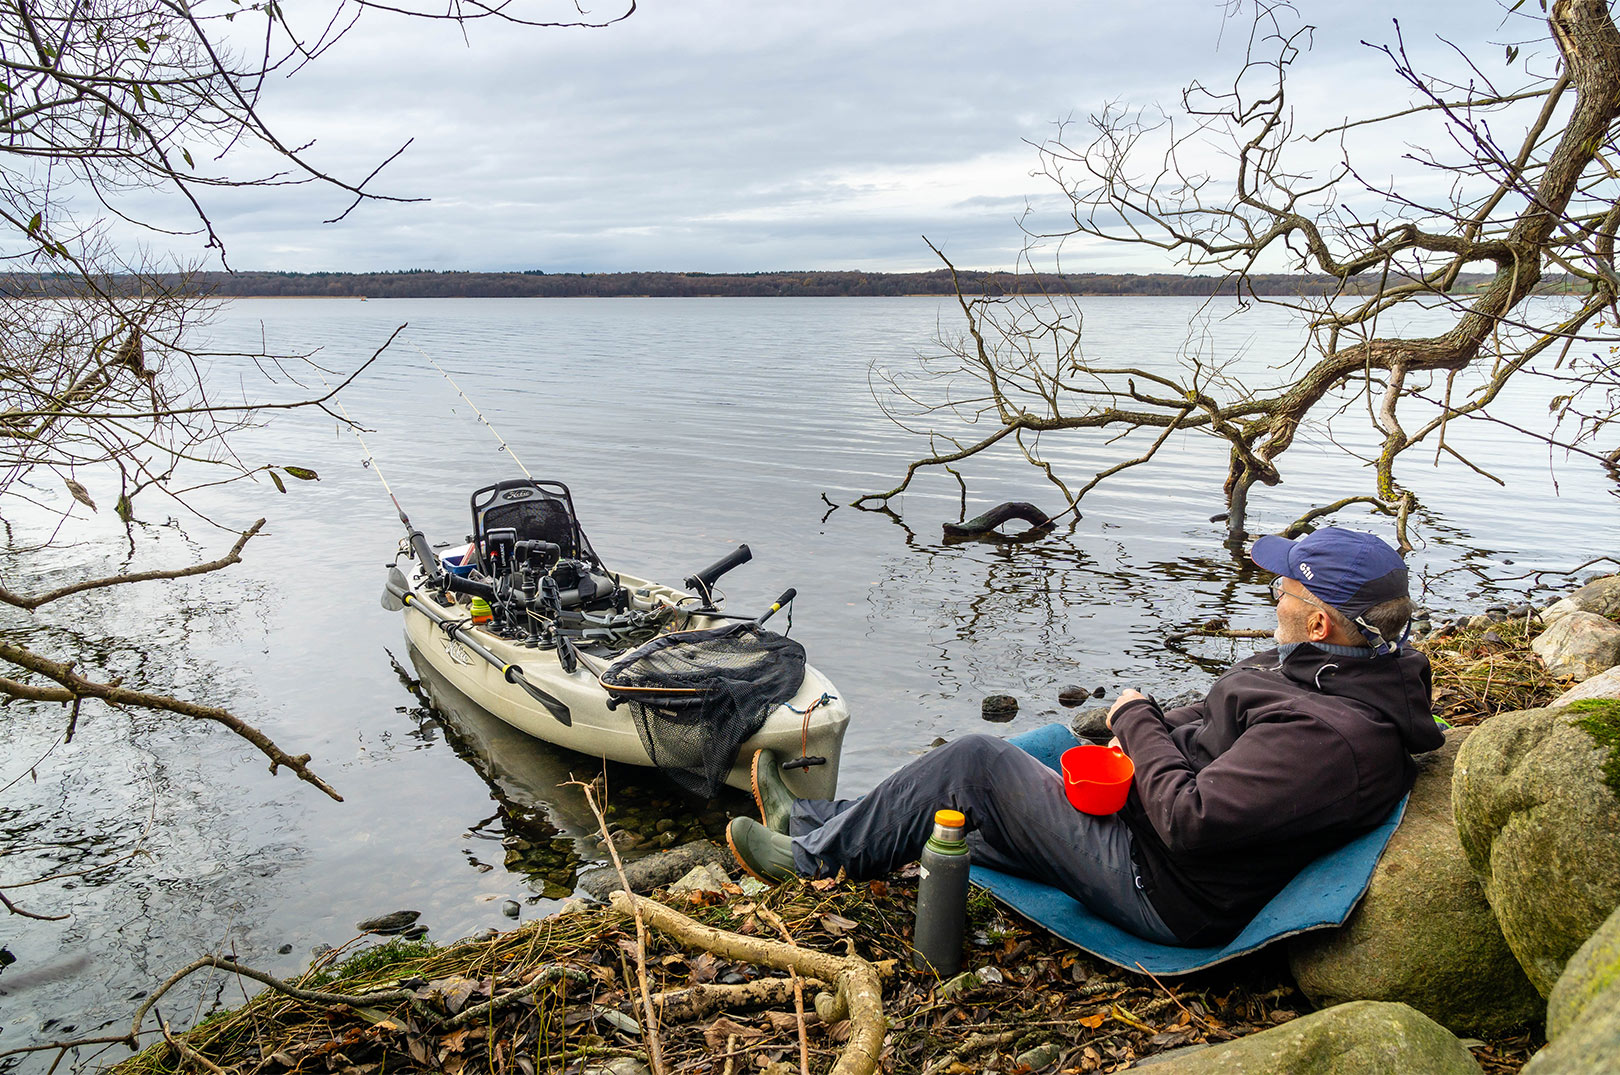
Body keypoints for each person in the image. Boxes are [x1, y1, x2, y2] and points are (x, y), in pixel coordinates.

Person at [725, 527, 1442, 947]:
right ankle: (823, 820)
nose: (1273, 600)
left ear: (1320, 622)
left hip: (1165, 884)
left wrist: (1134, 719)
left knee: (975, 763)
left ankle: (812, 858)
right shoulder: (1335, 671)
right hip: (1148, 828)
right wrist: (1151, 730)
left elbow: (1193, 821)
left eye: (1283, 593)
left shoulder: (1330, 736)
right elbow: (1220, 722)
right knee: (985, 792)